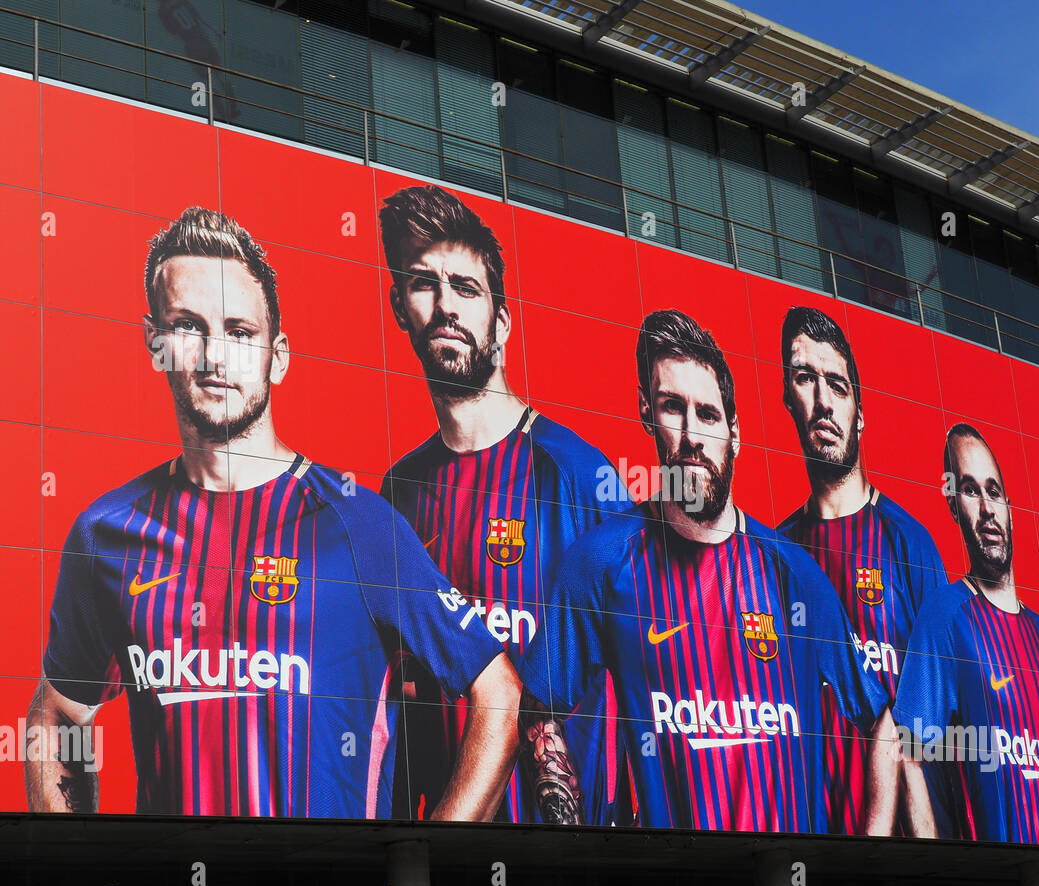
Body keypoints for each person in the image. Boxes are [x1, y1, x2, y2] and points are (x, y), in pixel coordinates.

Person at [27, 206, 520, 819]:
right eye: (187, 326)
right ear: (154, 343)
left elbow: (496, 690)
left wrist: (431, 860)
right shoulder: (107, 533)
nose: (214, 356)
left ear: (278, 356)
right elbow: (59, 713)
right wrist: (80, 867)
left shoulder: (357, 523)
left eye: (239, 331)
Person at [518, 309, 891, 831]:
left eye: (709, 415)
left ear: (734, 432)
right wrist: (570, 823)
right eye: (674, 409)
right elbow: (539, 706)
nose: (692, 434)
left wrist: (869, 849)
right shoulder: (600, 562)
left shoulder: (791, 571)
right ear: (647, 414)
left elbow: (880, 721)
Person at [378, 184, 625, 823]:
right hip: (443, 857)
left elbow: (642, 672)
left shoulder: (579, 475)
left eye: (465, 287)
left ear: (503, 320)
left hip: (566, 858)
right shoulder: (398, 492)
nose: (445, 306)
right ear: (400, 308)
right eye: (423, 284)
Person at [894, 423, 1039, 846]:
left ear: (1009, 506)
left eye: (994, 492)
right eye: (971, 491)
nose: (988, 508)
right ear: (954, 506)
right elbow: (909, 750)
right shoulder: (946, 613)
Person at [775, 306, 945, 835]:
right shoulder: (776, 555)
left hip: (912, 848)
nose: (823, 401)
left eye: (838, 385)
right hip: (815, 840)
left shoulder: (911, 544)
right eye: (805, 379)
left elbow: (942, 718)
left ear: (860, 411)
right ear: (788, 399)